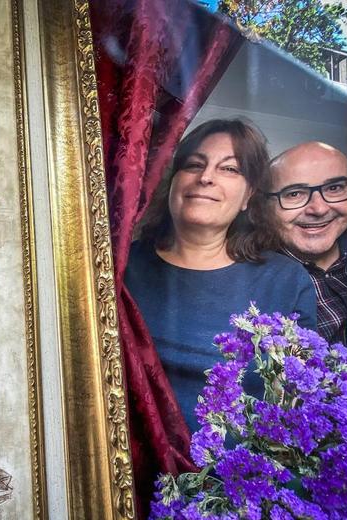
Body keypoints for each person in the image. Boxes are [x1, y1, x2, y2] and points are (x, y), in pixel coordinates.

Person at [125, 119, 317, 433]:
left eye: (230, 169)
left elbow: (299, 402)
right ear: (173, 182)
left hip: (238, 477)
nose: (205, 178)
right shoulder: (123, 267)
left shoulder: (286, 283)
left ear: (248, 197)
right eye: (193, 165)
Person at [268, 142, 347, 345]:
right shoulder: (254, 279)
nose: (319, 209)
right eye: (294, 193)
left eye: (334, 188)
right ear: (266, 207)